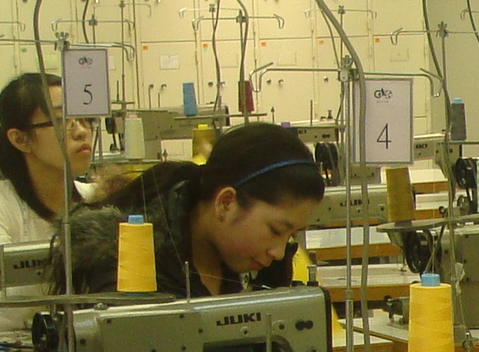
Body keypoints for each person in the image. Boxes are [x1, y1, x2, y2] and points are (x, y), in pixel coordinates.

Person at [67, 122, 321, 298]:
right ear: (226, 203)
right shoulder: (124, 265)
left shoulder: (260, 270)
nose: (278, 252)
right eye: (276, 230)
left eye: (291, 235)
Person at [0, 72, 93, 247]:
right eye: (61, 121)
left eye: (84, 119)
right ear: (20, 139)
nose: (82, 131)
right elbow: (2, 264)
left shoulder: (96, 197)